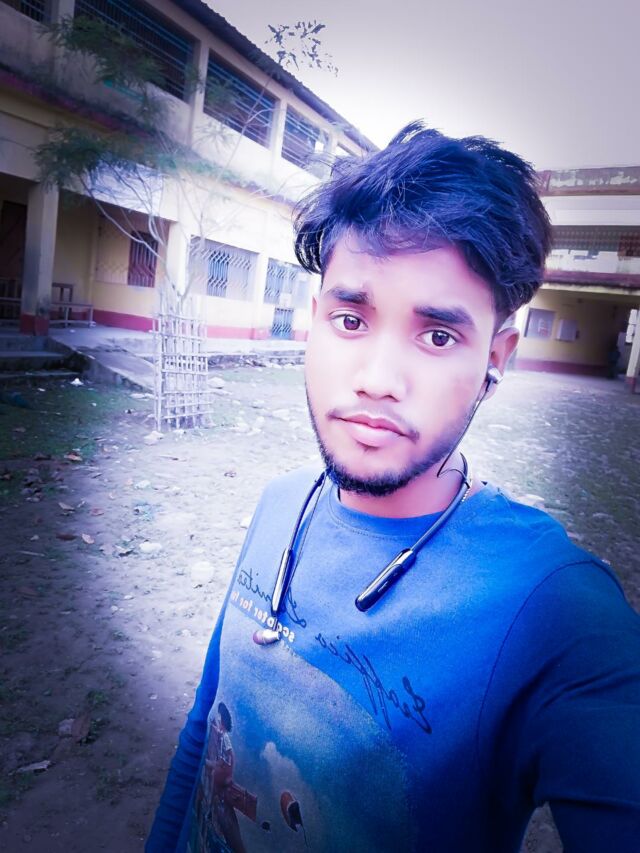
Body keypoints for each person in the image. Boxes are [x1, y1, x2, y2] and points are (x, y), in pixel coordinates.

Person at [146, 122, 640, 853]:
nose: (377, 379)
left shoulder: (556, 611)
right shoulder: (281, 502)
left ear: (496, 357)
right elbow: (204, 732)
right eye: (351, 319)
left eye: (438, 336)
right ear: (315, 321)